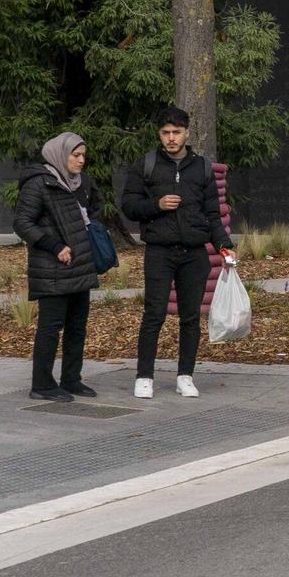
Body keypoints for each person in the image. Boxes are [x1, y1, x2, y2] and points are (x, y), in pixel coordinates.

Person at [120, 106, 234, 399]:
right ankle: (144, 376)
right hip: (159, 250)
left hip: (194, 252)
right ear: (159, 134)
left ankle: (186, 375)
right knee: (154, 314)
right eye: (165, 133)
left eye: (176, 132)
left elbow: (212, 214)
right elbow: (129, 207)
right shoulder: (146, 165)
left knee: (190, 317)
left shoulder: (202, 168)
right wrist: (156, 205)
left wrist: (224, 246)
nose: (171, 138)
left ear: (187, 133)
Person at [13, 132, 103, 402]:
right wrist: (55, 246)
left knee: (77, 326)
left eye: (83, 155)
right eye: (75, 155)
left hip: (80, 264)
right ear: (60, 155)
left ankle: (71, 379)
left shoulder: (81, 183)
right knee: (51, 327)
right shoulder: (39, 183)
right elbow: (22, 223)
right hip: (52, 266)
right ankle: (41, 384)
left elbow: (95, 209)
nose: (81, 160)